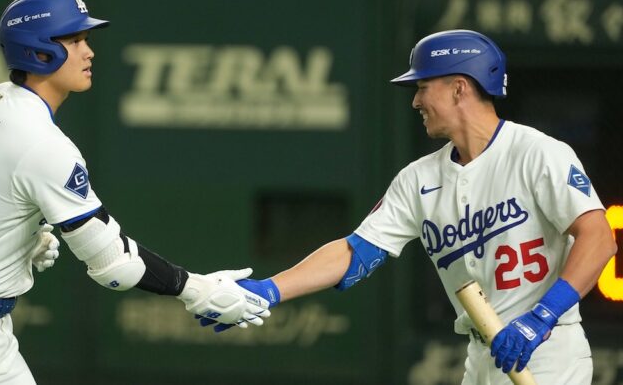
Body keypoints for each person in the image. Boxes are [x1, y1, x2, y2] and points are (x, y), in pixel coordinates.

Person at [0, 0, 269, 385]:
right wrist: (196, 289)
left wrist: (12, 233)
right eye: (74, 40)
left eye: (86, 39)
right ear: (38, 51)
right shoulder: (44, 143)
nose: (88, 52)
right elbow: (113, 263)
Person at [203, 30, 617, 384]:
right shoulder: (418, 179)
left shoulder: (537, 152)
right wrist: (271, 290)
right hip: (481, 357)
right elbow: (356, 252)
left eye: (423, 87)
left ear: (459, 87)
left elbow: (598, 239)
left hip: (549, 351)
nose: (415, 101)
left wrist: (540, 318)